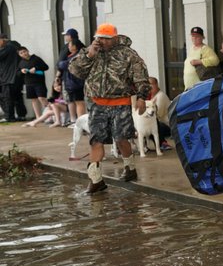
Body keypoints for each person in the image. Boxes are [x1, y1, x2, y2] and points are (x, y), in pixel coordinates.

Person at [68, 23, 151, 193]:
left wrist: (142, 97)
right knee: (96, 140)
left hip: (120, 102)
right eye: (98, 38)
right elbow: (75, 70)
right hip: (96, 103)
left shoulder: (128, 54)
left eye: (105, 39)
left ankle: (129, 167)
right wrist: (90, 55)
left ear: (114, 38)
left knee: (121, 138)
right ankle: (96, 180)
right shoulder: (91, 52)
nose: (101, 42)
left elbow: (141, 77)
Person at [17, 45, 49, 122]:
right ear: (19, 55)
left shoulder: (36, 58)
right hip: (28, 83)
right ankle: (38, 117)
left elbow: (46, 67)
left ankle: (51, 114)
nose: (23, 53)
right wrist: (21, 71)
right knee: (34, 100)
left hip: (39, 82)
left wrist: (36, 68)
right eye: (21, 53)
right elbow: (17, 73)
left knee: (41, 98)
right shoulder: (21, 63)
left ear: (27, 51)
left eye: (24, 51)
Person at [58, 39, 86, 123]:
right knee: (75, 102)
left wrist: (61, 63)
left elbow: (63, 64)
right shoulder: (70, 55)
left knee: (79, 102)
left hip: (77, 83)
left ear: (74, 46)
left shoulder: (78, 55)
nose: (68, 47)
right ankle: (75, 121)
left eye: (69, 45)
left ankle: (81, 122)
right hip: (71, 83)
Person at [0, 34, 23, 121]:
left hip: (8, 78)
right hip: (15, 77)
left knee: (7, 97)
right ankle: (21, 115)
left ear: (2, 40)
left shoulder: (9, 47)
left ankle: (9, 117)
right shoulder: (14, 46)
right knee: (17, 97)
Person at [148, 76, 172, 150]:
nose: (149, 86)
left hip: (168, 126)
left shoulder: (160, 96)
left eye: (151, 84)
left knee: (151, 124)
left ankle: (162, 143)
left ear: (156, 84)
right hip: (160, 124)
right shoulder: (150, 97)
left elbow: (157, 115)